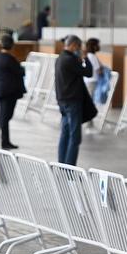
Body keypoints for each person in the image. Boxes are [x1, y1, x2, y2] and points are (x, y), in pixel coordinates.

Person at [54, 35, 91, 165]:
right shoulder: (70, 59)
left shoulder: (60, 58)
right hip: (72, 101)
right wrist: (85, 57)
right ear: (74, 45)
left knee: (65, 133)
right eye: (79, 47)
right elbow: (88, 72)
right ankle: (70, 168)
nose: (79, 49)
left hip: (63, 101)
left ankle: (61, 164)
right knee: (75, 137)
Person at [0, 34, 25, 150]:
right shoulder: (10, 59)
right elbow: (20, 71)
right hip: (9, 91)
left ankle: (5, 140)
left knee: (3, 116)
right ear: (12, 45)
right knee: (6, 117)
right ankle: (5, 141)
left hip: (0, 89)